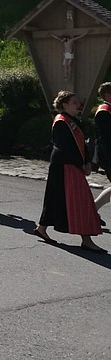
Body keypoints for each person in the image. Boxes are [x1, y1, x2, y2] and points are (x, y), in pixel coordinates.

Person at [34, 91, 105, 253]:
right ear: (65, 105)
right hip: (64, 166)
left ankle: (41, 228)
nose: (79, 105)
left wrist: (87, 161)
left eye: (78, 102)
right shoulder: (61, 122)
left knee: (57, 199)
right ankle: (86, 240)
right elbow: (65, 148)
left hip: (69, 165)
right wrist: (82, 164)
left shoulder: (73, 121)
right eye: (75, 102)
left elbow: (82, 145)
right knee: (80, 201)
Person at [93, 83, 111, 220]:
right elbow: (106, 140)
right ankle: (92, 209)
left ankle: (92, 209)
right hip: (108, 155)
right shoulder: (103, 112)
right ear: (108, 95)